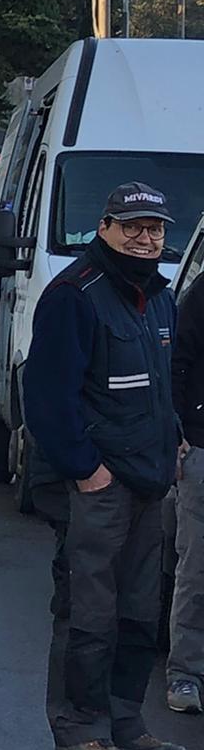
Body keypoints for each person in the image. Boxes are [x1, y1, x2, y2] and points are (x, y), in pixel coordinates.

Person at [24, 181, 185, 750]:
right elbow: (46, 398)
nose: (146, 238)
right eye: (133, 227)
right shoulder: (75, 295)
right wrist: (86, 471)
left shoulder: (160, 298)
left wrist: (174, 443)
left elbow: (164, 386)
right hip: (98, 487)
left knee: (140, 611)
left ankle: (126, 723)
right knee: (88, 612)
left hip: (149, 481)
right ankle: (80, 730)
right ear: (105, 228)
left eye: (155, 228)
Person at [164, 241, 204, 713]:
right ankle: (186, 676)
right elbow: (174, 365)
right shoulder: (201, 295)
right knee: (197, 567)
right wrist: (177, 433)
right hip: (201, 446)